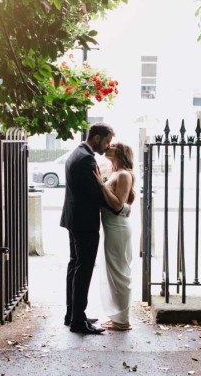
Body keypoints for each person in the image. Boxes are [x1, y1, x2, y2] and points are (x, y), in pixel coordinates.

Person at [60, 123, 130, 334]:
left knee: (75, 267)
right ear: (97, 138)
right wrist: (122, 206)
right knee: (83, 270)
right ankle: (78, 322)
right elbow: (96, 195)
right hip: (84, 223)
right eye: (107, 141)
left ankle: (72, 314)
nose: (107, 146)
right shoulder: (86, 159)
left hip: (74, 220)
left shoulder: (77, 153)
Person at [94, 142, 135, 331]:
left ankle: (123, 321)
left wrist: (102, 186)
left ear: (119, 152)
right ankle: (118, 317)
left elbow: (119, 205)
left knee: (119, 273)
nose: (106, 148)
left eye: (111, 146)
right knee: (113, 273)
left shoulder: (124, 174)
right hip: (112, 227)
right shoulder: (116, 173)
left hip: (118, 228)